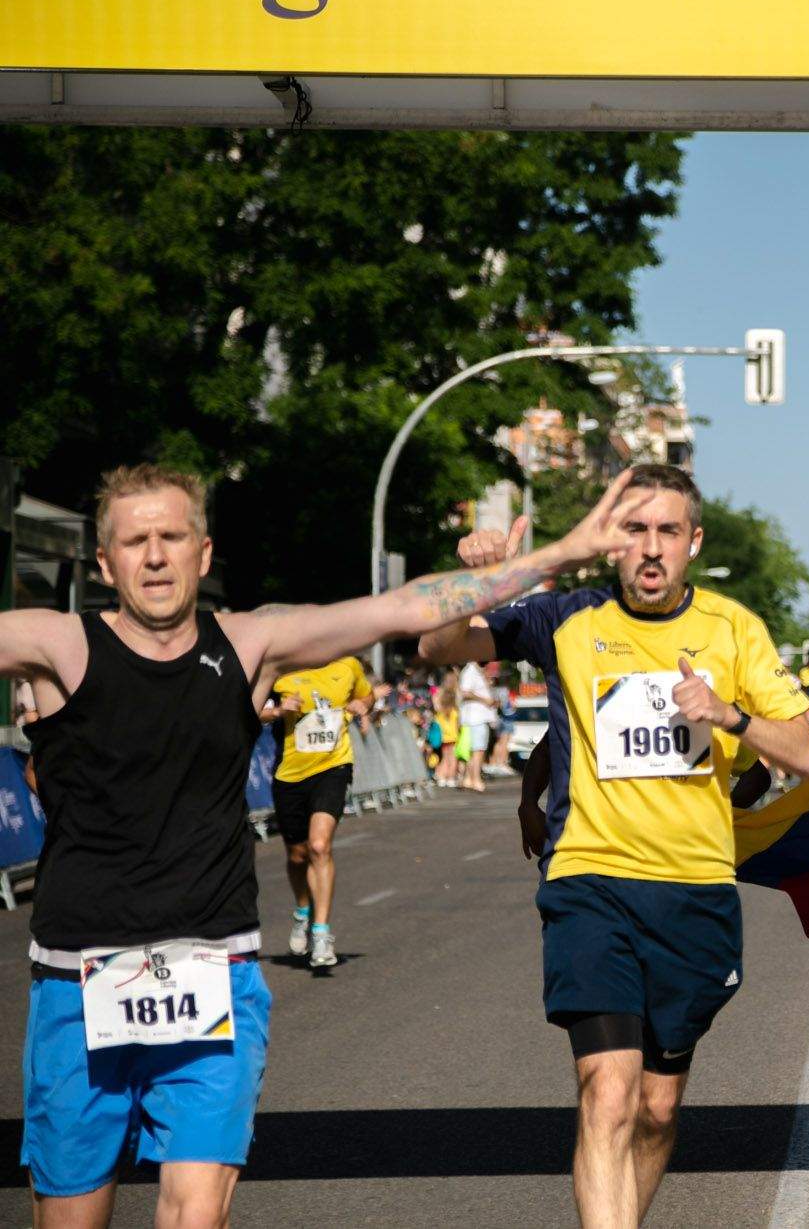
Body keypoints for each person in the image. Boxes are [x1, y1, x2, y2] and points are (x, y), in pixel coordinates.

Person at [0, 461, 643, 1226]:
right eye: (134, 541)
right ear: (104, 562)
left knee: (193, 1214)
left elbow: (399, 609)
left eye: (172, 536)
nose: (155, 555)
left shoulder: (249, 643)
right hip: (78, 978)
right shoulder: (56, 646)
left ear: (203, 553)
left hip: (211, 977)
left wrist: (562, 552)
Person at [420, 462, 809, 1229]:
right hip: (589, 880)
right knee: (607, 1088)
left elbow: (804, 752)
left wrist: (728, 713)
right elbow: (444, 647)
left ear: (693, 542)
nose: (650, 547)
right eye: (634, 529)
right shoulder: (566, 618)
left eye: (667, 530)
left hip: (696, 890)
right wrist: (470, 582)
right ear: (612, 543)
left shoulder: (733, 629)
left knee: (657, 1108)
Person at [270, 656, 372, 970]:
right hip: (290, 775)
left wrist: (363, 705)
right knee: (298, 855)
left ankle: (322, 932)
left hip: (333, 768)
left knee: (319, 846)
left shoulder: (348, 666)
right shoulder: (281, 671)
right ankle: (303, 912)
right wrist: (277, 711)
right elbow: (250, 709)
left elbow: (366, 694)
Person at [457, 655, 496, 792]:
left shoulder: (476, 671)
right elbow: (465, 692)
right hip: (475, 717)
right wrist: (484, 700)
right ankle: (476, 779)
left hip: (477, 717)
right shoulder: (470, 671)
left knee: (474, 750)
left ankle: (469, 778)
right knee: (478, 750)